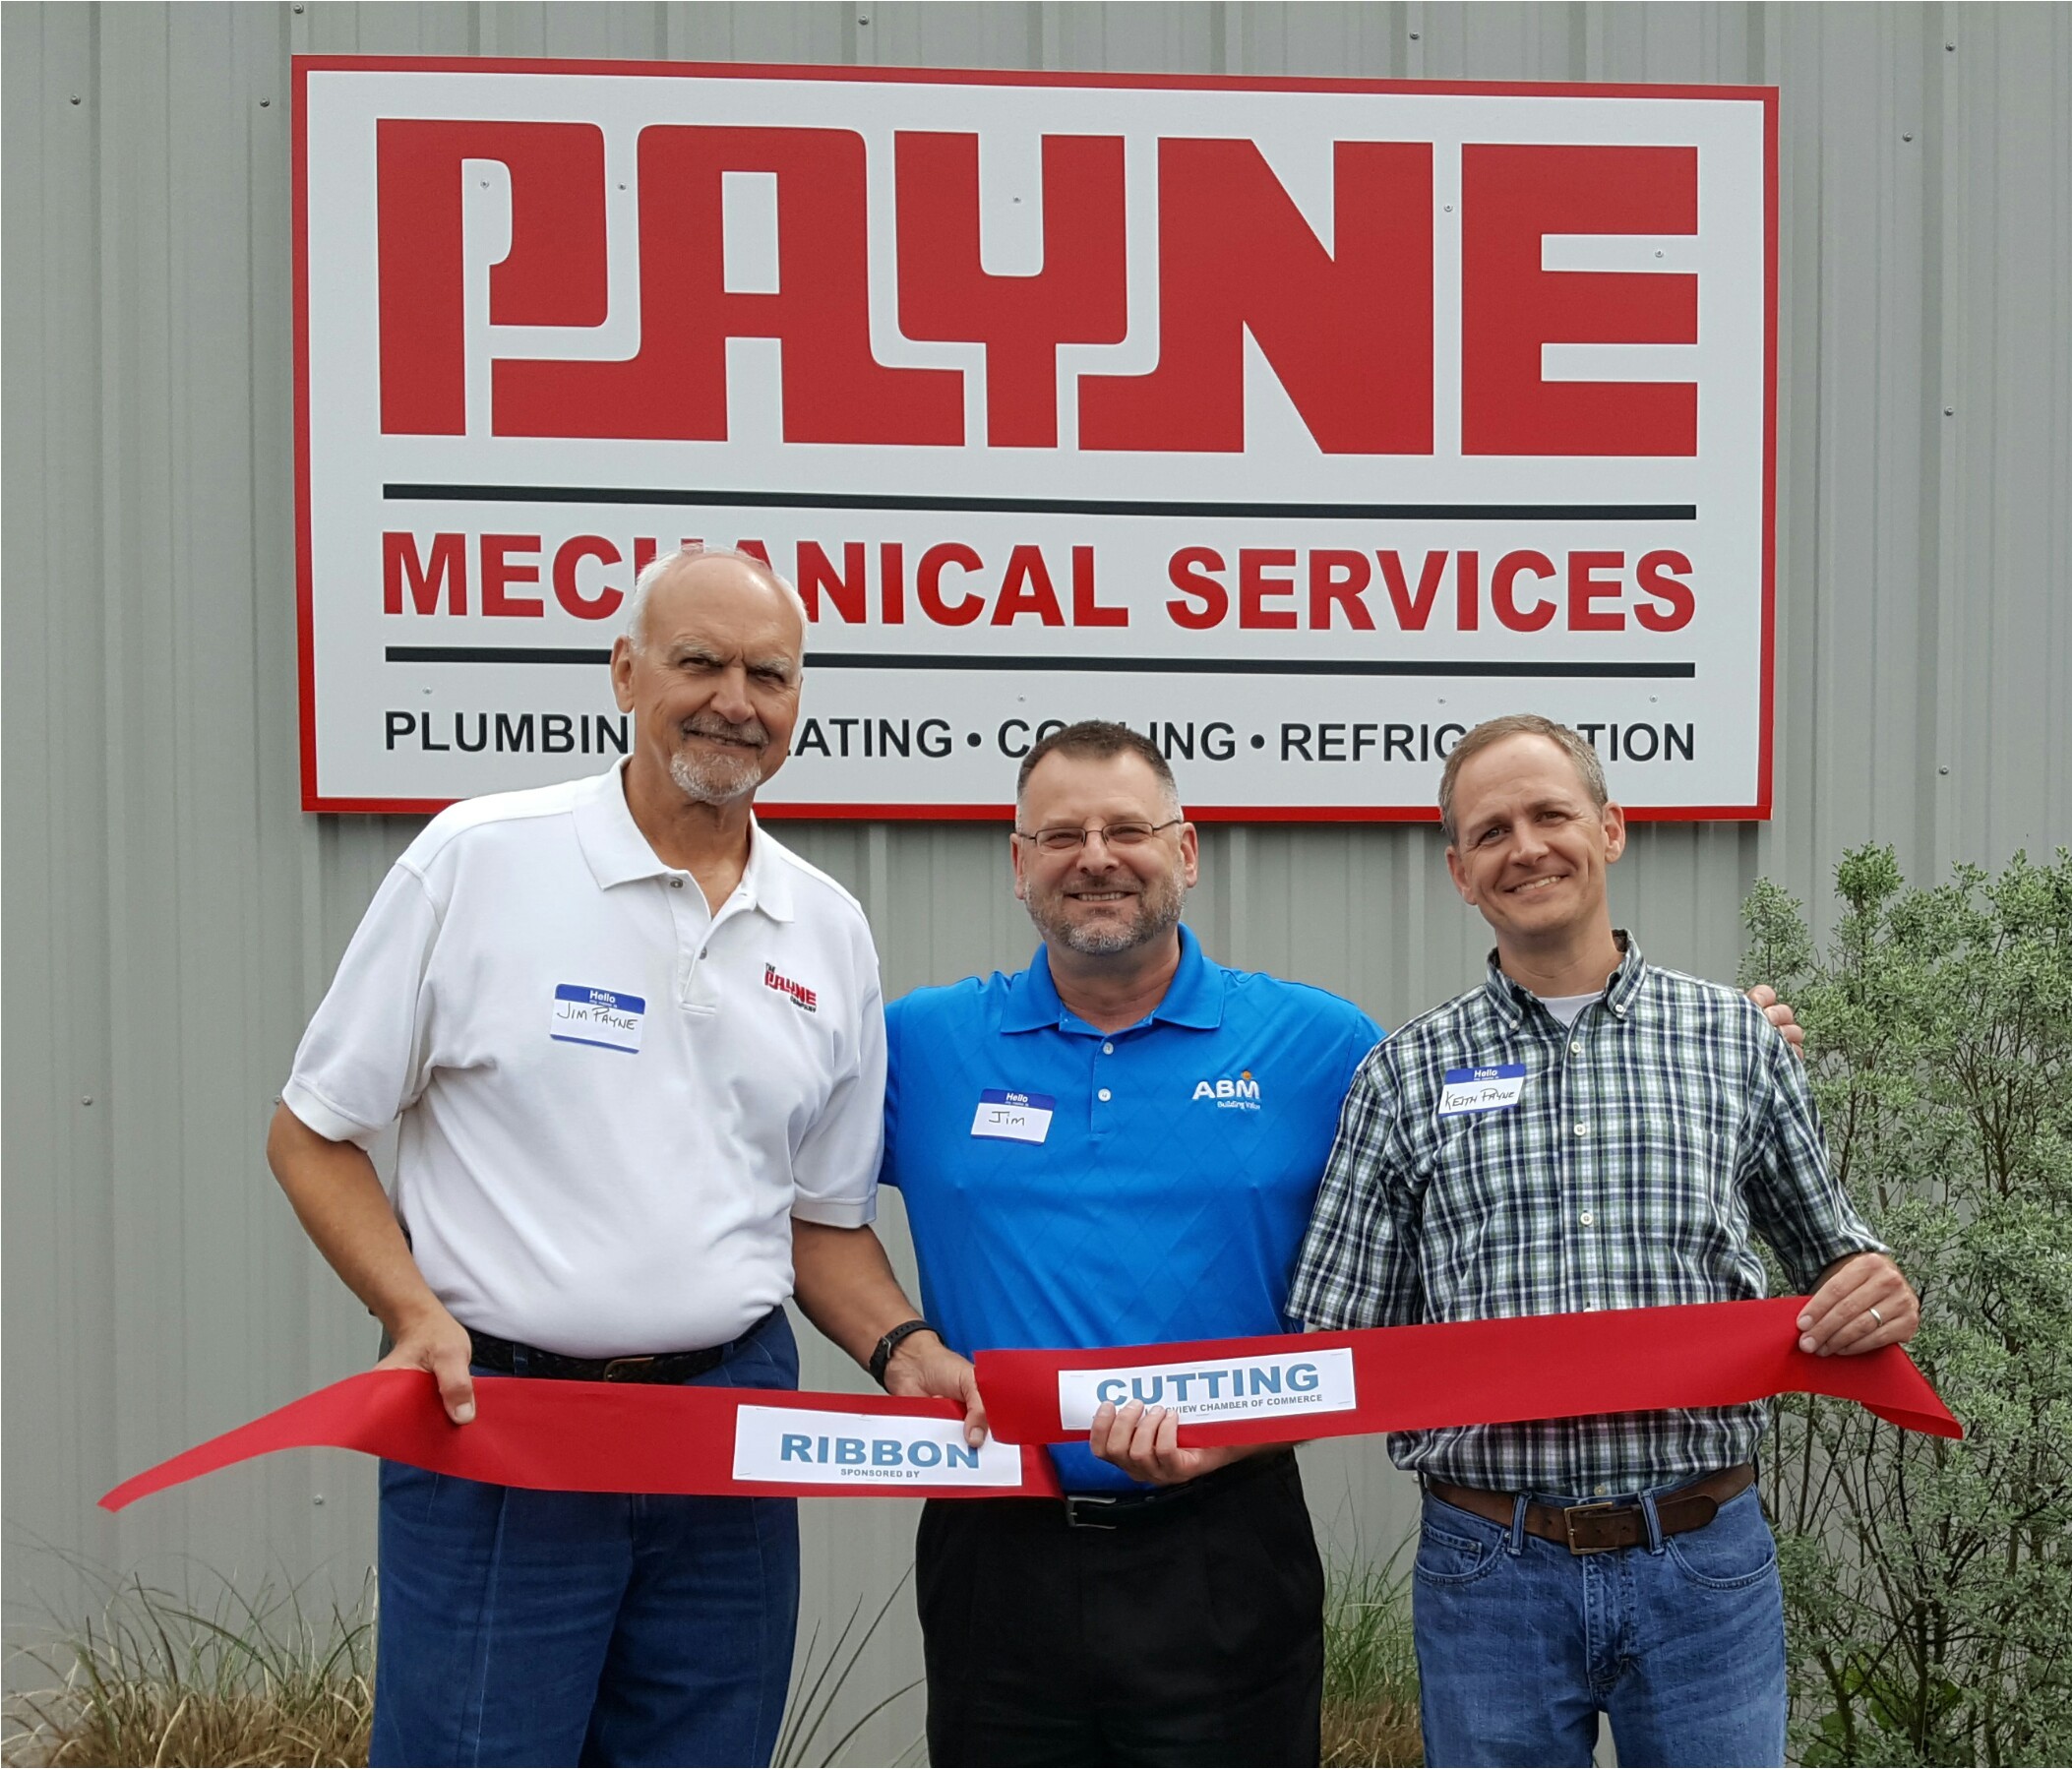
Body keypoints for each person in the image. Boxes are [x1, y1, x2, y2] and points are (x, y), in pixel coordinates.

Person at [880, 720, 1808, 1768]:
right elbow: (789, 1189)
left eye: (1127, 828)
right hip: (996, 1539)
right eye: (1061, 835)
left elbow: (1498, 1117)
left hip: (1226, 1538)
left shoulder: (1324, 1045)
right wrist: (898, 1343)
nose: (1096, 856)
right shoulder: (919, 1041)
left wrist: (1709, 1040)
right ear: (1018, 863)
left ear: (1183, 850)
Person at [267, 547, 978, 1768]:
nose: (734, 701)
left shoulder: (827, 927)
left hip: (729, 1427)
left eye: (770, 673)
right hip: (503, 1420)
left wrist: (900, 1349)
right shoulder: (478, 860)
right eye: (698, 662)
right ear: (622, 672)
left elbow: (816, 1218)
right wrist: (410, 1311)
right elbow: (312, 1132)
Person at [1287, 714, 1920, 1769]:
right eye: (1490, 831)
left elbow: (1838, 1255)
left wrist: (1874, 1286)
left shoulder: (1732, 1042)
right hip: (1489, 1564)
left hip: (1702, 1561)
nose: (1523, 847)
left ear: (1611, 828)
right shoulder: (1399, 1077)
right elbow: (1328, 1332)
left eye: (1548, 814)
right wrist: (1183, 1407)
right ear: (1458, 871)